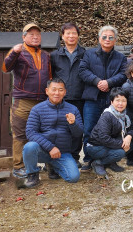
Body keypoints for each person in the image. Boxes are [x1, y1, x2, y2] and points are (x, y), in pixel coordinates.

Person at [4, 22, 52, 177]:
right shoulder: (18, 51)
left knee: (45, 132)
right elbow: (5, 68)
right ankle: (19, 166)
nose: (35, 37)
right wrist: (14, 52)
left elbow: (50, 76)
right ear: (23, 37)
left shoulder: (46, 55)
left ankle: (47, 163)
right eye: (31, 34)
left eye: (37, 34)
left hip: (43, 100)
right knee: (20, 133)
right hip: (23, 100)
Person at [20, 78, 83, 188]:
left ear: (65, 92)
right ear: (47, 91)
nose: (57, 93)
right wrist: (50, 147)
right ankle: (32, 174)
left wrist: (73, 124)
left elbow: (78, 134)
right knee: (29, 147)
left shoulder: (73, 109)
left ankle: (53, 166)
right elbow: (30, 132)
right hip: (43, 151)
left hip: (62, 153)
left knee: (73, 177)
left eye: (60, 90)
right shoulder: (37, 109)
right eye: (53, 89)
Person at [80, 26, 127, 155]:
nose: (107, 39)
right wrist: (97, 81)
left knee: (112, 130)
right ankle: (88, 159)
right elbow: (83, 71)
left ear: (115, 40)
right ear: (99, 39)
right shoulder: (89, 54)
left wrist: (109, 82)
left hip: (111, 100)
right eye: (104, 37)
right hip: (92, 98)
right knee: (89, 129)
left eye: (111, 37)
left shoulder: (120, 57)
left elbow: (124, 74)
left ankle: (109, 158)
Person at [50, 22, 86, 163]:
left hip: (79, 98)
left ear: (78, 36)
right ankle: (56, 157)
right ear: (63, 36)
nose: (71, 36)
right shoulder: (55, 55)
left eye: (74, 33)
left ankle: (74, 157)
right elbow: (51, 76)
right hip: (60, 98)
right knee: (58, 128)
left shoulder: (86, 54)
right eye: (68, 33)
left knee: (76, 129)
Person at [86, 88, 133, 178]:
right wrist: (122, 144)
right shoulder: (107, 115)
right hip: (96, 146)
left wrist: (129, 136)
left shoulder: (125, 115)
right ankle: (97, 163)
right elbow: (104, 138)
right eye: (117, 100)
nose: (120, 103)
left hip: (109, 144)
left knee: (130, 145)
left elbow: (131, 128)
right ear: (111, 102)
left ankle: (110, 162)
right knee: (120, 152)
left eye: (123, 101)